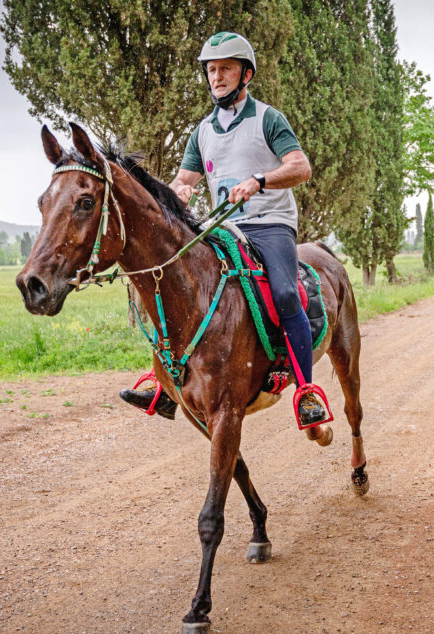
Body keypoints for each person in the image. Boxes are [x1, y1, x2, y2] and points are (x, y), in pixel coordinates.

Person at [119, 31, 330, 428]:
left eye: (226, 69)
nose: (217, 77)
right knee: (177, 284)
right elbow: (186, 178)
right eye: (212, 70)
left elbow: (301, 167)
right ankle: (165, 385)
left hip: (270, 224)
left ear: (245, 74)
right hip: (223, 225)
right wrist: (180, 190)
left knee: (286, 292)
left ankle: (305, 390)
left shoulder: (268, 118)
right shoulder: (202, 131)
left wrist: (259, 181)